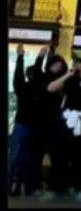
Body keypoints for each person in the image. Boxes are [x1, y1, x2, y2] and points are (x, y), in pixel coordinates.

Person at [45, 55, 81, 200]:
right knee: (61, 154)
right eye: (78, 65)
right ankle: (59, 185)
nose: (80, 68)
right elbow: (50, 88)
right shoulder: (69, 79)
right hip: (67, 119)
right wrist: (67, 75)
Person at [10, 44, 47, 197]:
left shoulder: (23, 87)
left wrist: (21, 57)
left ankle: (16, 184)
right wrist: (39, 57)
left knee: (17, 156)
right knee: (24, 156)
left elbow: (19, 75)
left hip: (24, 124)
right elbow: (23, 74)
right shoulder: (35, 88)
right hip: (30, 125)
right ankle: (21, 184)